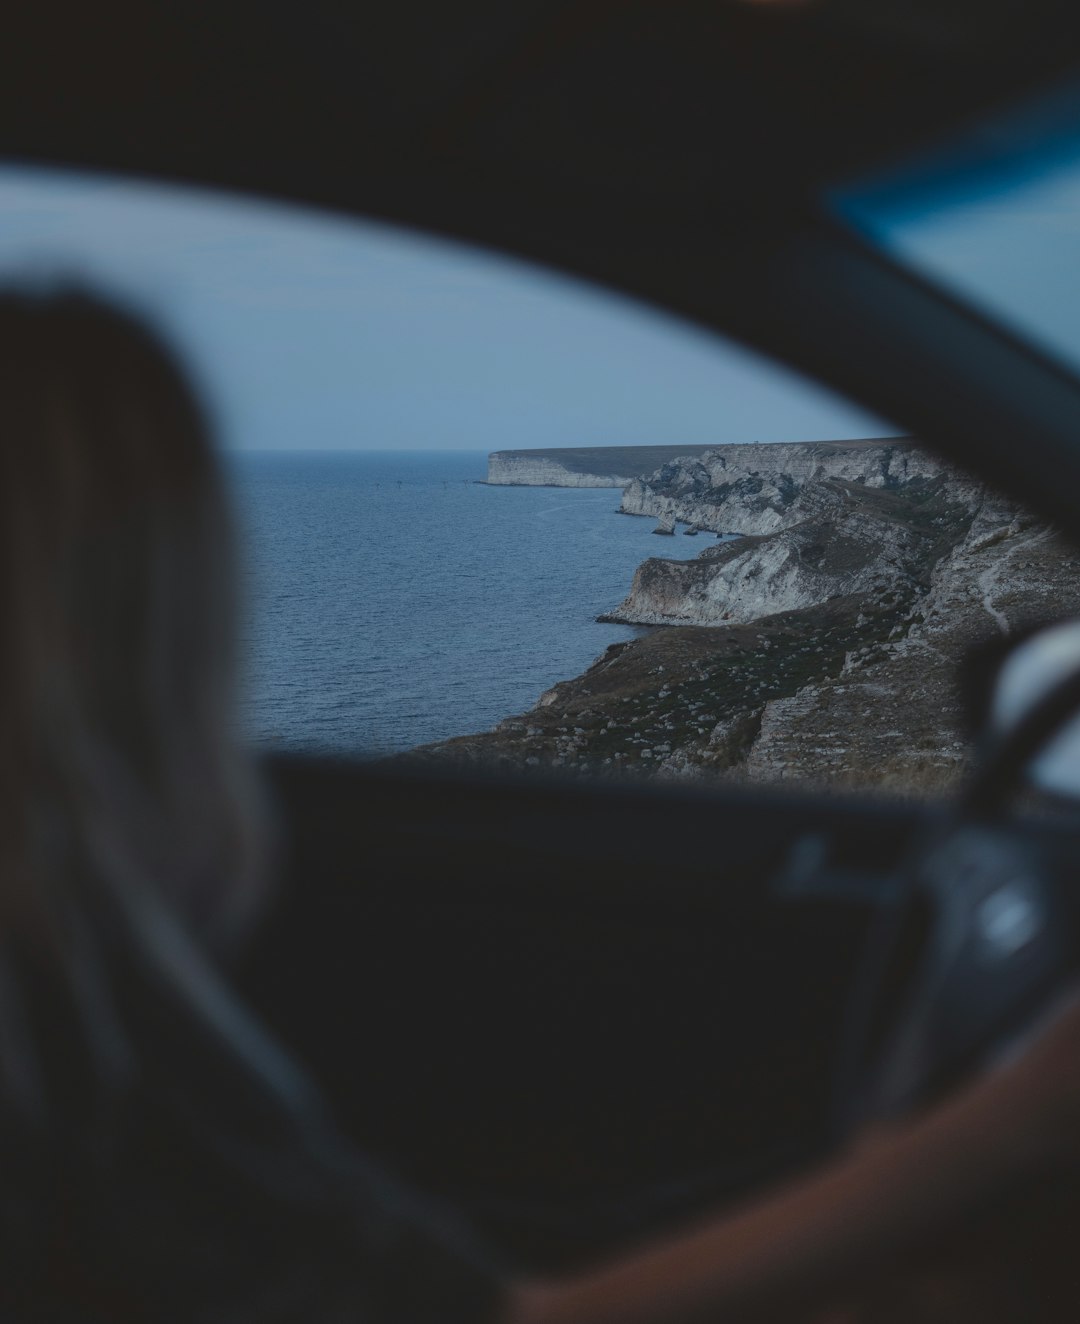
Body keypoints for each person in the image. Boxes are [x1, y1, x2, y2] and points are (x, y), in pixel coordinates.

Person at [3, 282, 1080, 1323]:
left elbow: (435, 1256)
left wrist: (863, 1185)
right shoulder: (69, 1022)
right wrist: (1015, 1123)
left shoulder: (76, 987)